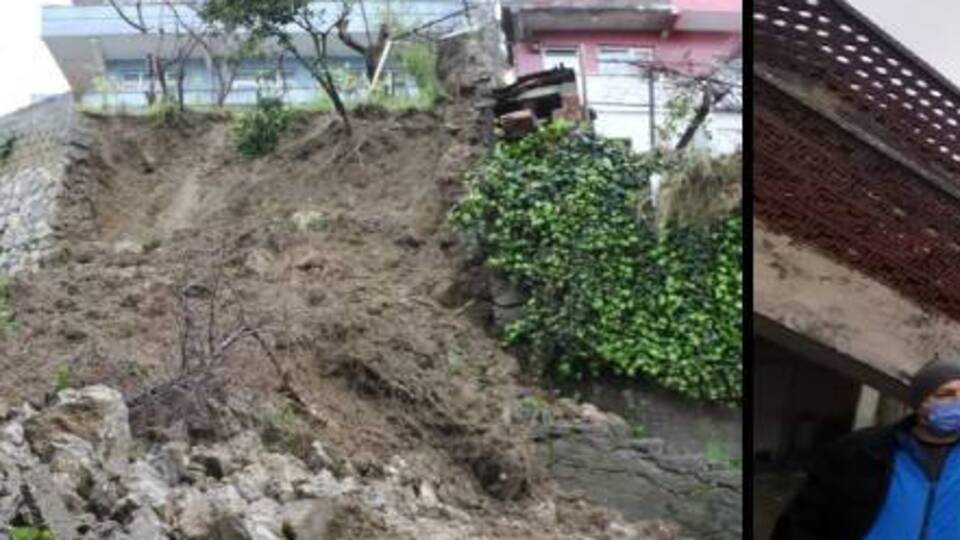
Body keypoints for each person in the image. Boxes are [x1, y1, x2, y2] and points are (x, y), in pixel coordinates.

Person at [773, 358, 960, 539]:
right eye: (946, 395)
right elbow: (803, 523)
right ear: (921, 402)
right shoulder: (859, 452)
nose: (957, 403)